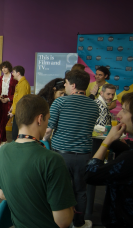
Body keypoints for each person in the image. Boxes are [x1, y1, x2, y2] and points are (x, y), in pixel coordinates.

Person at [0, 94, 76, 228]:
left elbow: (2, 194)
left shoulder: (2, 152)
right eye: (48, 119)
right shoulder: (52, 160)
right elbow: (63, 221)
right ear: (40, 119)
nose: (48, 124)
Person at [42, 69, 99, 228]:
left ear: (73, 85)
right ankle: (79, 223)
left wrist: (42, 142)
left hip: (61, 156)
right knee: (80, 191)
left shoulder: (59, 103)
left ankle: (59, 221)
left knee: (60, 189)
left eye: (66, 83)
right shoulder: (94, 106)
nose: (64, 86)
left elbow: (48, 130)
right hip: (84, 156)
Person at [85, 90, 133, 228]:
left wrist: (106, 142)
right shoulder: (131, 152)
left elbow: (91, 174)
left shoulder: (132, 157)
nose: (119, 114)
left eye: (125, 111)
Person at [0, 61, 17, 147]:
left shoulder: (14, 79)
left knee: (4, 122)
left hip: (9, 102)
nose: (4, 69)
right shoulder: (0, 78)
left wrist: (8, 99)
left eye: (5, 67)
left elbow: (16, 93)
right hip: (0, 101)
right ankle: (3, 140)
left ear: (9, 68)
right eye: (2, 68)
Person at [8, 66, 30, 141]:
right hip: (17, 111)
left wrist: (13, 112)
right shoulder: (20, 84)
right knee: (15, 133)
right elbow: (16, 98)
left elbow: (20, 101)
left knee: (16, 134)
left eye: (13, 72)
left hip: (19, 113)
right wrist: (12, 107)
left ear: (18, 73)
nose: (12, 74)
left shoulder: (23, 84)